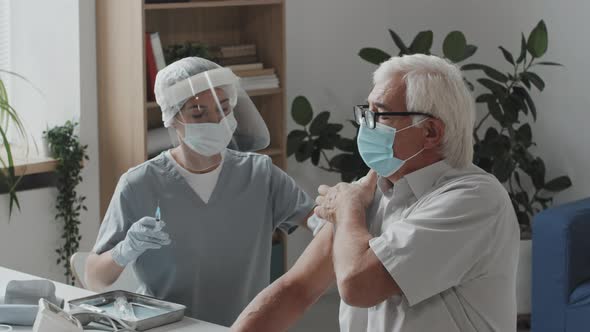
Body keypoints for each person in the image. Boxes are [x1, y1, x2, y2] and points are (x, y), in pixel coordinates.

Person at [231, 54, 519, 332]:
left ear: (430, 132)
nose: (365, 125)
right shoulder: (372, 192)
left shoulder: (475, 199)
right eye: (366, 111)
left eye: (380, 114)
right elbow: (296, 289)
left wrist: (347, 210)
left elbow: (358, 285)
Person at [85, 57, 314, 327]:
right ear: (172, 118)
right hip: (169, 328)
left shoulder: (260, 175)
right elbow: (95, 278)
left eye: (223, 109)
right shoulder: (140, 184)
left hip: (247, 326)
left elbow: (320, 223)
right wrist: (126, 249)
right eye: (198, 113)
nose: (215, 121)